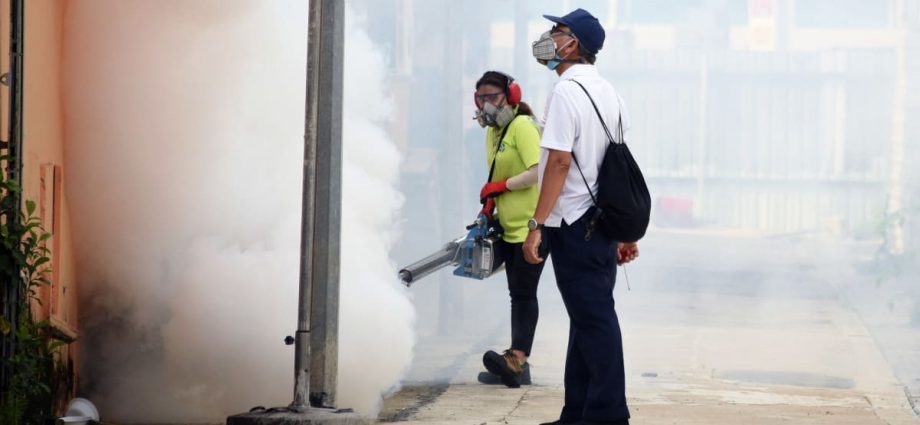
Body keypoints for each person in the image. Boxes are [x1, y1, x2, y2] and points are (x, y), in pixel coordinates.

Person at [521, 9, 639, 425]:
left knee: (595, 321)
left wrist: (536, 224)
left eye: (557, 32)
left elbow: (558, 163)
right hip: (601, 225)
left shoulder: (566, 93)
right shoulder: (610, 92)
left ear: (574, 45)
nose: (549, 37)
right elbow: (615, 166)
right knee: (585, 321)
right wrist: (622, 232)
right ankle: (579, 412)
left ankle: (608, 414)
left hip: (574, 224)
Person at [472, 70, 546, 388]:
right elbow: (497, 176)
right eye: (481, 98)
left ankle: (517, 359)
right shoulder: (494, 133)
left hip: (532, 226)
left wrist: (502, 185)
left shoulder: (523, 127)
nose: (487, 105)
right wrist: (492, 200)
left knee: (524, 294)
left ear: (511, 97)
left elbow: (538, 172)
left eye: (493, 97)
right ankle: (518, 364)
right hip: (508, 224)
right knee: (515, 292)